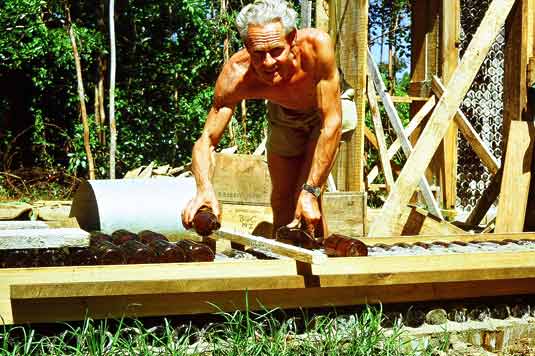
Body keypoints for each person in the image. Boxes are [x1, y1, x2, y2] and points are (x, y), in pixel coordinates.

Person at [181, 0, 342, 239]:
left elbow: (332, 123)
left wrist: (310, 191)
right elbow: (207, 139)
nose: (267, 63)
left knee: (305, 196)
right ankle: (287, 268)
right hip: (284, 112)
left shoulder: (317, 48)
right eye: (258, 53)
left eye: (276, 51)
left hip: (327, 112)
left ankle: (321, 267)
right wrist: (204, 188)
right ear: (247, 45)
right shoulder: (236, 75)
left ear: (292, 39)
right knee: (282, 201)